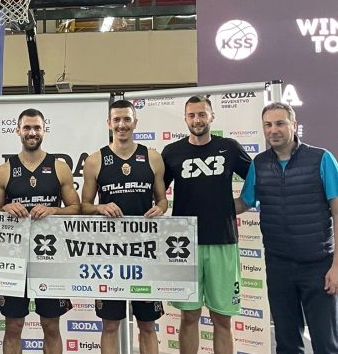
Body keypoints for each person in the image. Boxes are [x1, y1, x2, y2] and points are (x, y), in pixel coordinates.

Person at [236, 102, 338, 354]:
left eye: (280, 123)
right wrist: (204, 201)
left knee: (326, 343)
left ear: (294, 125)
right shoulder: (259, 164)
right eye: (268, 125)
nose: (273, 130)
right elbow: (243, 203)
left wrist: (336, 266)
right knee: (286, 343)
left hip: (318, 265)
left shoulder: (322, 159)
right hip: (278, 266)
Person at [161, 95, 251, 354]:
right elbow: (158, 192)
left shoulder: (229, 148)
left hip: (223, 241)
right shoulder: (172, 152)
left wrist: (244, 203)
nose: (197, 120)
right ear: (185, 119)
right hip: (184, 246)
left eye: (202, 114)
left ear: (212, 116)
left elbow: (259, 177)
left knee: (222, 318)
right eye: (191, 115)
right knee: (189, 316)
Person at [0, 108, 81, 354]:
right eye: (27, 127)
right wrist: (5, 208)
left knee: (51, 326)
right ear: (18, 131)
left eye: (37, 127)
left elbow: (76, 208)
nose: (32, 132)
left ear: (44, 130)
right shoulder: (4, 170)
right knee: (13, 326)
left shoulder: (60, 168)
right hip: (14, 260)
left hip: (50, 258)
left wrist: (54, 210)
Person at [81, 100, 167, 354]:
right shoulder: (95, 160)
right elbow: (83, 206)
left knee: (148, 325)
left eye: (126, 119)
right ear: (109, 123)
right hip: (109, 254)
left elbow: (162, 199)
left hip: (145, 252)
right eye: (116, 120)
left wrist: (161, 208)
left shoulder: (152, 157)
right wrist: (100, 207)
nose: (122, 125)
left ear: (135, 122)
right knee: (110, 325)